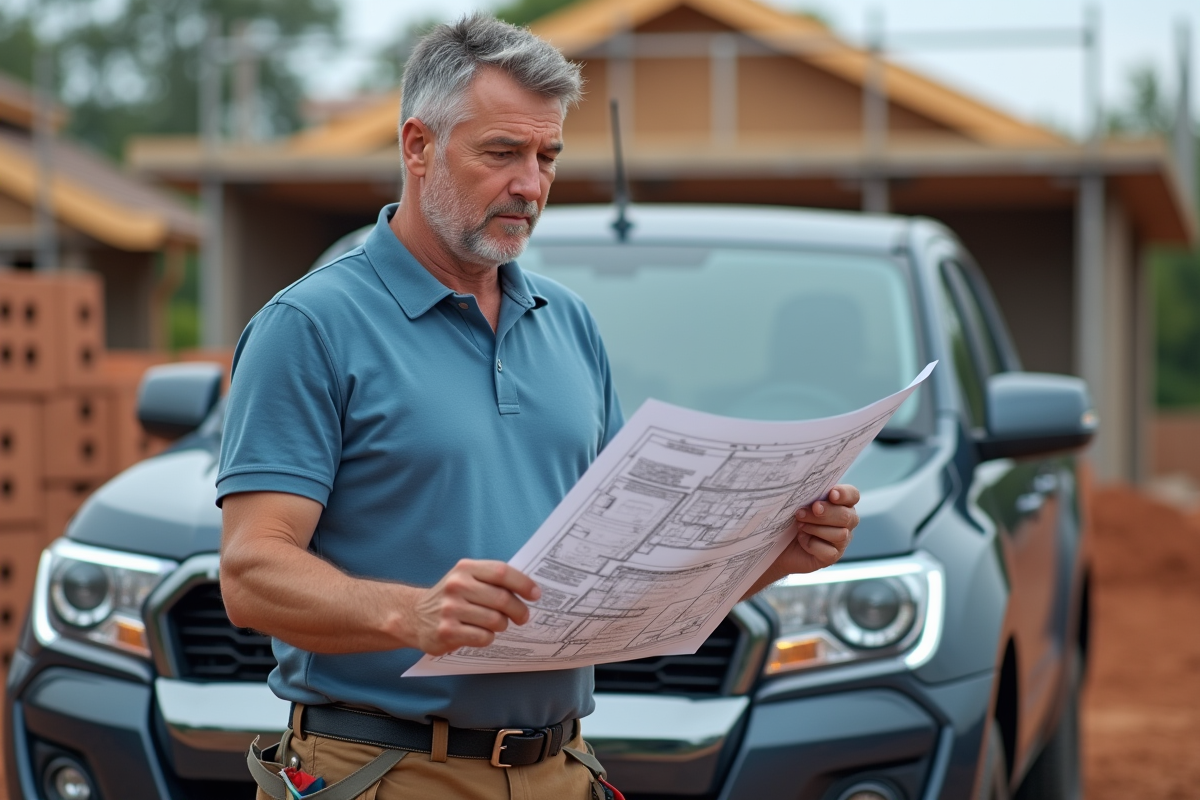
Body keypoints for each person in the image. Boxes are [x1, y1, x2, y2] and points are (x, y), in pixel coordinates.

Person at [217, 13, 861, 800]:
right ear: (418, 146)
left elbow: (625, 578)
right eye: (501, 154)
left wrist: (775, 554)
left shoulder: (569, 325)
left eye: (547, 156)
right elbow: (250, 574)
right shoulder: (310, 327)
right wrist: (413, 615)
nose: (530, 184)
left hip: (564, 771)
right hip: (383, 775)